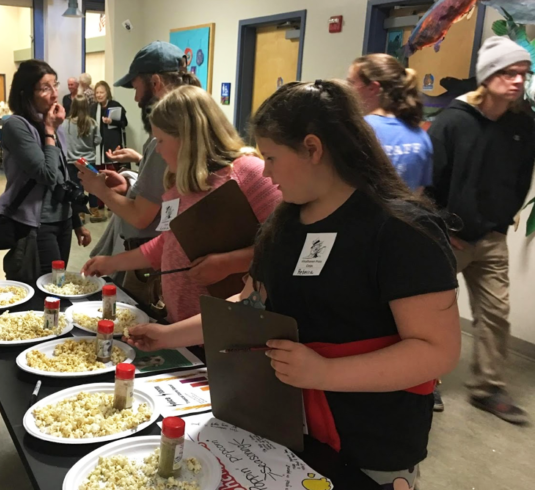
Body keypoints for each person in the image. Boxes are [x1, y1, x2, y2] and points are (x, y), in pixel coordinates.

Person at [126, 80, 461, 490]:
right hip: (282, 426)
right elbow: (249, 303)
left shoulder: (400, 230)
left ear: (313, 149)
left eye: (272, 157)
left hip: (370, 442)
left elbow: (436, 351)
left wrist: (324, 372)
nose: (265, 171)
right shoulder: (283, 224)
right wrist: (166, 336)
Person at [82, 85, 282, 323]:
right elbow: (168, 243)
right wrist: (112, 263)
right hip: (181, 325)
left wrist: (228, 263)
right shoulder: (183, 181)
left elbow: (284, 247)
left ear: (187, 139)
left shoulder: (250, 173)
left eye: (162, 140)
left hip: (229, 326)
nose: (157, 149)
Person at [427, 36, 535, 425]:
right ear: (487, 77)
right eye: (508, 73)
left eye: (523, 73)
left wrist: (501, 223)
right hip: (446, 238)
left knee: (496, 313)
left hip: (491, 238)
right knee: (429, 314)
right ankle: (424, 382)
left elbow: (521, 179)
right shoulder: (453, 122)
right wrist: (443, 226)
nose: (518, 81)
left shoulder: (523, 125)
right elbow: (430, 181)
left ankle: (488, 388)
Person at [77, 40, 200, 313]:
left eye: (136, 88)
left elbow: (141, 216)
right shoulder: (172, 138)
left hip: (147, 262)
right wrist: (133, 178)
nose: (135, 98)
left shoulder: (167, 141)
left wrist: (99, 190)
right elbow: (162, 191)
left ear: (155, 82)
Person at [0, 59, 91, 277]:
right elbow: (46, 174)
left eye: (55, 85)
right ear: (26, 93)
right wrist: (49, 130)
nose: (55, 94)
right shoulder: (17, 125)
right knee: (46, 286)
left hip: (62, 218)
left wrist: (76, 222)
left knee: (58, 282)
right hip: (36, 223)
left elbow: (62, 177)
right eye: (46, 88)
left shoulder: (53, 123)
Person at [348, 53, 432, 193]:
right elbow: (418, 194)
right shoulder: (420, 137)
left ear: (372, 88)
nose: (348, 89)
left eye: (351, 83)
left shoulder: (357, 131)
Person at [88, 81, 129, 220]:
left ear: (107, 93)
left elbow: (124, 123)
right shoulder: (92, 108)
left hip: (112, 144)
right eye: (97, 93)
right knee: (98, 173)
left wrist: (112, 122)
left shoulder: (115, 106)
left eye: (102, 92)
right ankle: (99, 202)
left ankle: (113, 202)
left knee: (112, 173)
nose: (99, 95)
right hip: (96, 146)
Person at [62, 95, 102, 221]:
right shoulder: (92, 122)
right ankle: (94, 212)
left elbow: (62, 141)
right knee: (93, 185)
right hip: (88, 161)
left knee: (76, 186)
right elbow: (98, 140)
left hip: (72, 160)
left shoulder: (65, 123)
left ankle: (80, 213)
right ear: (87, 107)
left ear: (72, 106)